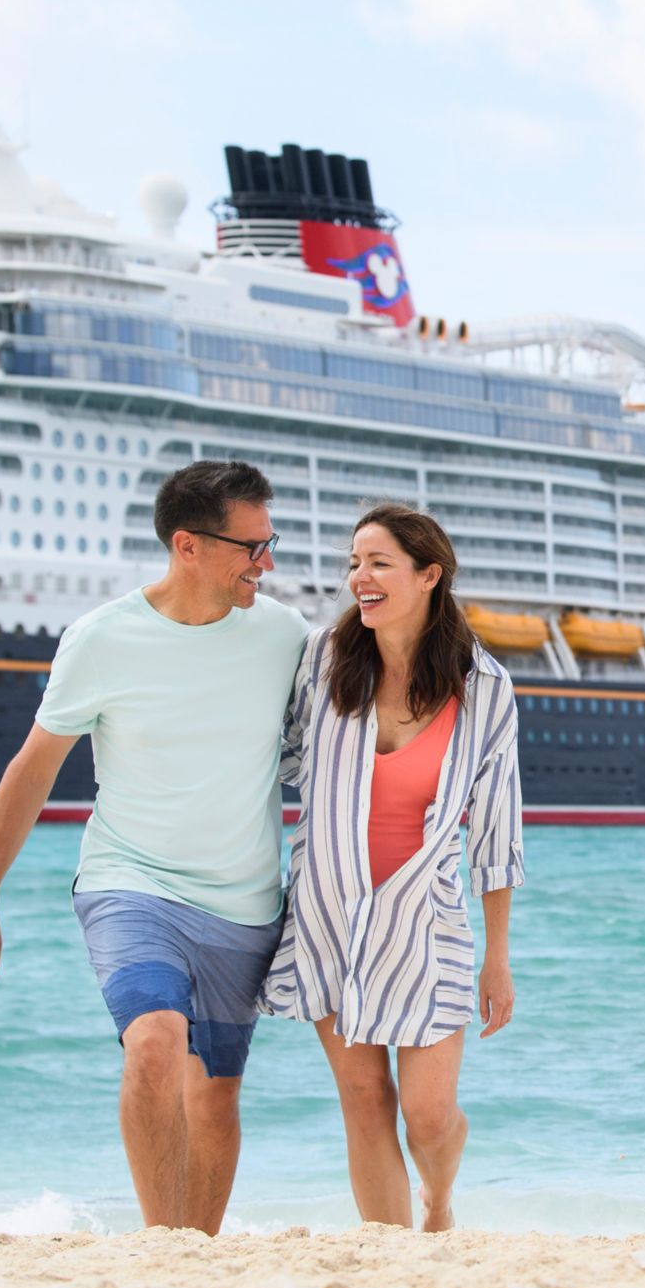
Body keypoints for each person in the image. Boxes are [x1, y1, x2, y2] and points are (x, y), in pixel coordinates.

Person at [0, 461, 310, 1235]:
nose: (266, 562)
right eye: (251, 546)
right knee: (153, 1042)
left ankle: (195, 1253)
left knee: (214, 1098)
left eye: (267, 542)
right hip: (129, 882)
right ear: (188, 546)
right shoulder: (102, 638)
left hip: (245, 902)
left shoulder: (284, 635)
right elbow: (32, 770)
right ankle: (158, 1245)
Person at [264, 504, 523, 1231]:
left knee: (429, 1118)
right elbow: (269, 756)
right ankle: (389, 1254)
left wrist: (497, 958)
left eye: (378, 563)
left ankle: (437, 1199)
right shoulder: (320, 659)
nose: (359, 578)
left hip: (425, 922)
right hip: (326, 915)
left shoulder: (485, 688)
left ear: (429, 574)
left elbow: (497, 831)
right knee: (363, 1098)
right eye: (354, 563)